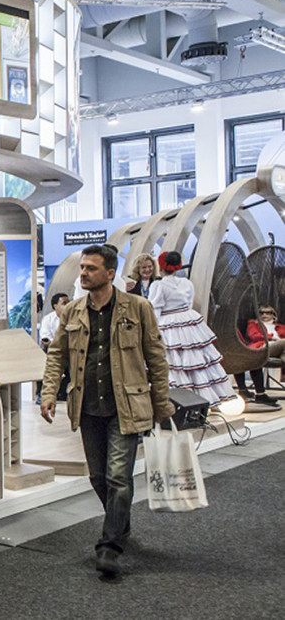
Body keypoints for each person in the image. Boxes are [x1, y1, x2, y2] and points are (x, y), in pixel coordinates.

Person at [41, 244, 173, 579]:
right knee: (98, 477)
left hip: (125, 406)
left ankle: (110, 545)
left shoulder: (138, 307)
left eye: (91, 268)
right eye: (82, 267)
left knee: (118, 477)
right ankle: (121, 523)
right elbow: (57, 355)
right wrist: (48, 393)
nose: (83, 273)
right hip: (87, 407)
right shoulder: (72, 312)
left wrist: (162, 403)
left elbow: (156, 357)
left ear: (110, 273)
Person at [146, 251, 234, 405]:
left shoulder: (158, 285)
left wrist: (151, 329)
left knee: (175, 362)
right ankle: (204, 399)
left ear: (161, 266)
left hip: (169, 324)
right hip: (188, 322)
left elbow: (154, 309)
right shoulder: (186, 283)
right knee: (196, 359)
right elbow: (189, 303)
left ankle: (182, 401)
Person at [237, 304, 285, 408]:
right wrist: (272, 338)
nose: (264, 315)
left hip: (278, 350)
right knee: (284, 342)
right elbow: (254, 336)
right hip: (262, 347)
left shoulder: (280, 327)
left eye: (267, 313)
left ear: (274, 315)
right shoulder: (253, 324)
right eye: (261, 313)